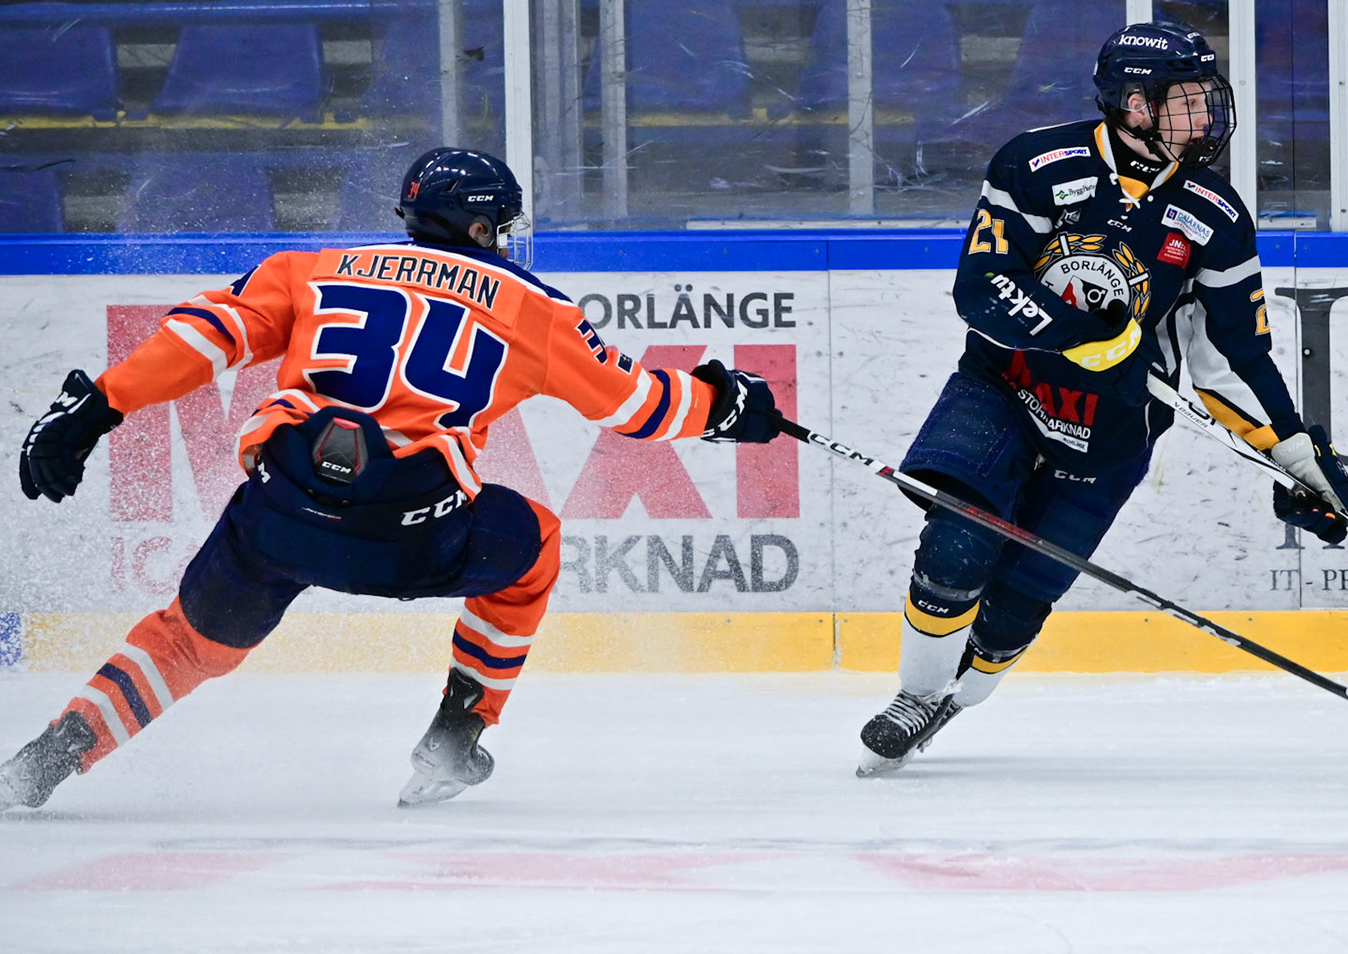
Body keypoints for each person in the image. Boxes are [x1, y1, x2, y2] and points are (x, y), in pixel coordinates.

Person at [0, 148, 783, 811]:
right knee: (535, 545)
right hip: (414, 531)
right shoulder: (534, 308)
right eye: (502, 227)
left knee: (187, 641)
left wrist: (101, 406)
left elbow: (206, 335)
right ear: (480, 228)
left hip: (283, 508)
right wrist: (724, 404)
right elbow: (637, 407)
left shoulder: (313, 269)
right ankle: (455, 736)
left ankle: (53, 755)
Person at [857, 21, 1348, 774]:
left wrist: (1293, 455)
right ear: (1133, 104)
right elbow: (982, 287)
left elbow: (1231, 357)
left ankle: (958, 698)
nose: (1204, 115)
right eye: (1185, 100)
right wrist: (1074, 335)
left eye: (1206, 98)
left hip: (1114, 425)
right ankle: (915, 697)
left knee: (1015, 611)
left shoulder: (1215, 214)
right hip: (1004, 386)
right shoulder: (1035, 163)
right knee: (959, 539)